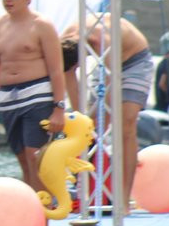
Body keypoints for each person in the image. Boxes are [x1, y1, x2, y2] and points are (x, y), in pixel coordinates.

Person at [0, 0, 66, 199]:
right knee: (22, 159)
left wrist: (59, 107)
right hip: (7, 99)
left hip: (37, 96)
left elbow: (57, 69)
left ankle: (45, 217)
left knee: (34, 155)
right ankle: (35, 213)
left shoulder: (42, 25)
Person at [61, 13, 153, 204]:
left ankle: (124, 199)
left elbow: (111, 91)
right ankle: (91, 194)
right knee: (88, 130)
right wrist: (82, 120)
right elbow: (68, 75)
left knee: (126, 126)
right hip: (104, 66)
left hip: (134, 61)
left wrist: (92, 115)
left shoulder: (103, 39)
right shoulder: (64, 41)